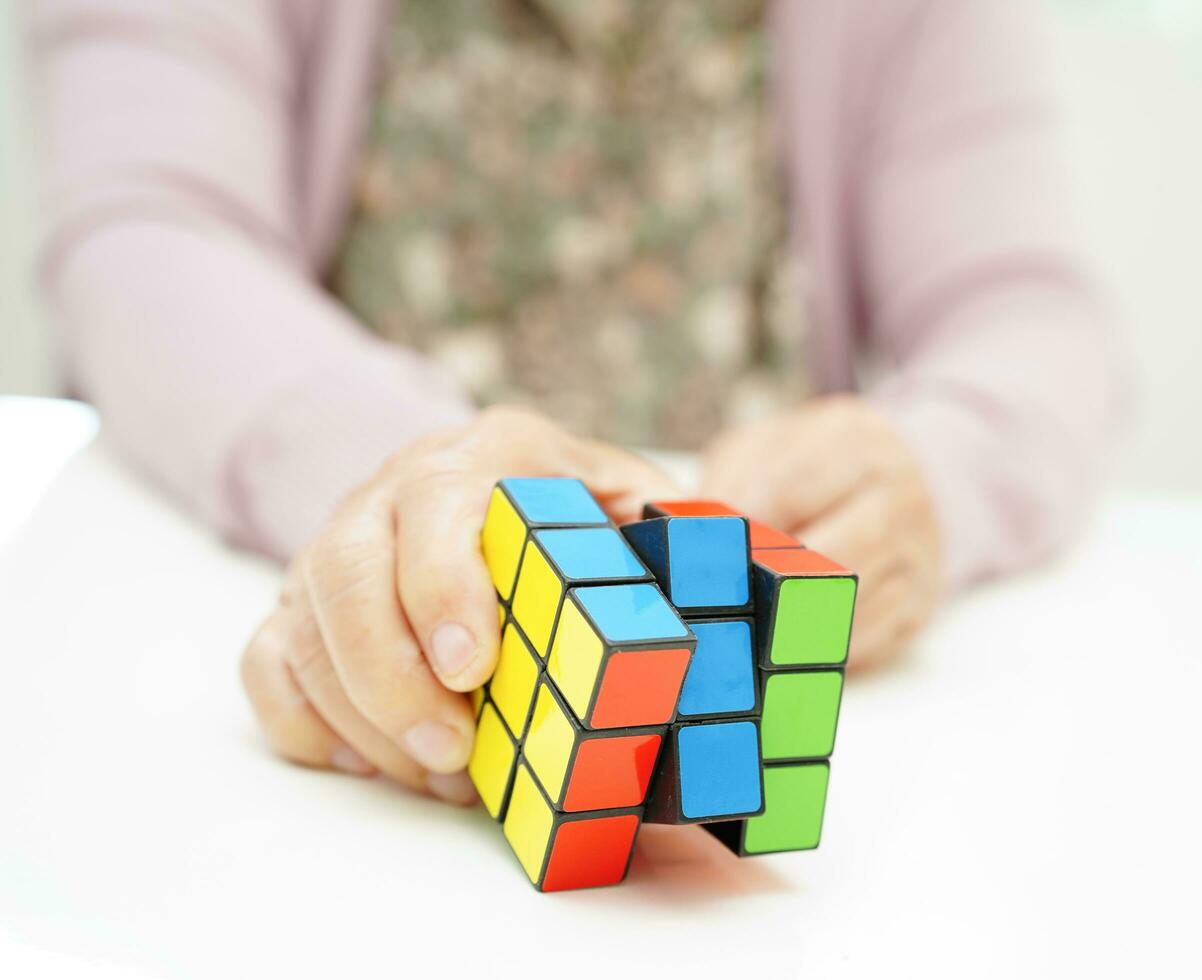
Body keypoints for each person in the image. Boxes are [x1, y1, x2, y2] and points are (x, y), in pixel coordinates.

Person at [29, 0, 1120, 805]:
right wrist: (413, 482)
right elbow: (148, 237)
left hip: (759, 700)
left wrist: (927, 468)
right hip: (341, 714)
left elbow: (1034, 314)